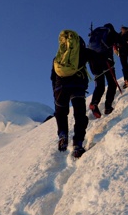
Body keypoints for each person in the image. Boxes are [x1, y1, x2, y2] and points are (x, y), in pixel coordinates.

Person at [51, 29, 98, 158]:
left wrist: (55, 93)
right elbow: (96, 58)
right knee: (79, 115)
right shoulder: (83, 52)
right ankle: (78, 144)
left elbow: (52, 77)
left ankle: (63, 135)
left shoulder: (58, 57)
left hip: (60, 88)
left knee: (61, 113)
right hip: (78, 87)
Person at [88, 23, 119, 117]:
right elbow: (119, 41)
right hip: (106, 60)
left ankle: (94, 103)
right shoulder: (110, 33)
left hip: (93, 61)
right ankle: (108, 106)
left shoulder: (96, 35)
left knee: (100, 85)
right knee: (112, 83)